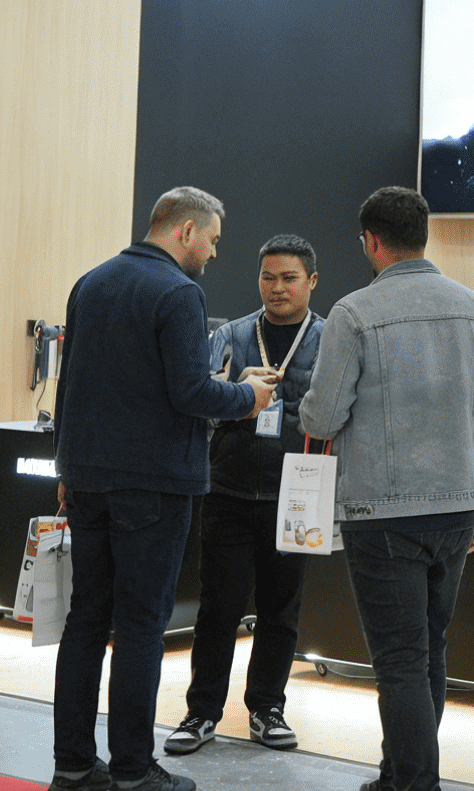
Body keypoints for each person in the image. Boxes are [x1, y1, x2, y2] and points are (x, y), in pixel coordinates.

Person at [51, 188, 267, 791]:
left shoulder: (90, 282)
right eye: (213, 240)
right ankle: (132, 770)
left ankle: (72, 764)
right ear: (187, 231)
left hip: (87, 478)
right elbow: (191, 393)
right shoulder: (179, 292)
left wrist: (67, 467)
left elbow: (70, 385)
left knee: (85, 621)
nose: (214, 253)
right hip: (153, 486)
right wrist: (248, 395)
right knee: (141, 626)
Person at [298, 187, 474, 791]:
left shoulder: (353, 313)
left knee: (399, 660)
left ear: (370, 241)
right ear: (424, 235)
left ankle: (414, 783)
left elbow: (322, 417)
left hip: (382, 513)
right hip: (458, 506)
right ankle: (399, 775)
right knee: (428, 650)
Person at [165, 234, 326, 758]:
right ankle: (201, 712)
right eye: (267, 277)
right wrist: (238, 391)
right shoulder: (231, 335)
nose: (277, 288)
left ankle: (267, 708)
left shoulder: (330, 339)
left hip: (297, 495)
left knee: (281, 609)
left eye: (289, 278)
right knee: (219, 608)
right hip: (228, 490)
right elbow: (198, 407)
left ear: (312, 281)